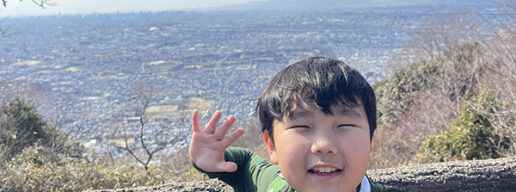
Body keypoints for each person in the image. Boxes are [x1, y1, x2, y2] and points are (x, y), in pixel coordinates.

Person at [188, 57, 382, 192]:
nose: (324, 145)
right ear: (272, 146)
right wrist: (214, 159)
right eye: (302, 127)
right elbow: (245, 164)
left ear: (370, 141)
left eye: (345, 125)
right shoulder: (275, 184)